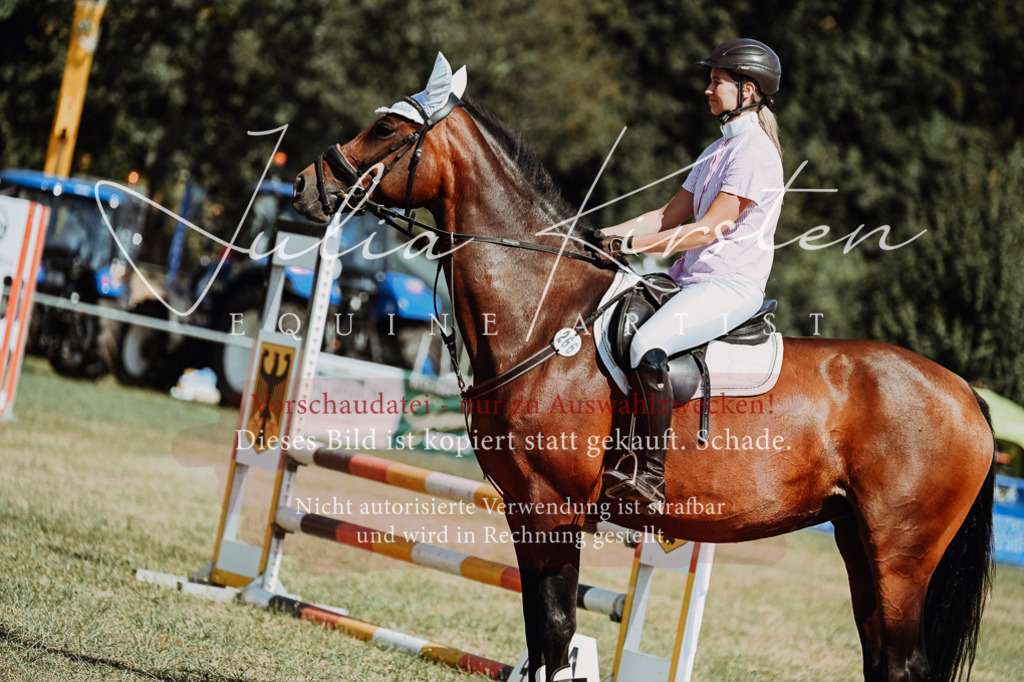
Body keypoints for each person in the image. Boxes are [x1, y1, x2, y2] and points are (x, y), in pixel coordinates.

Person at [598, 38, 784, 507]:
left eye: (716, 82)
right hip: (691, 279)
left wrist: (632, 246)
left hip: (730, 284)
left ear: (748, 90)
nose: (707, 90)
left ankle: (649, 476)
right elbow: (666, 216)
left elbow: (704, 231)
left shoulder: (754, 152)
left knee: (646, 344)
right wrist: (599, 233)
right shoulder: (717, 149)